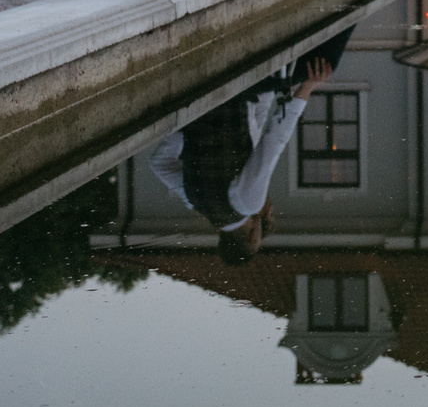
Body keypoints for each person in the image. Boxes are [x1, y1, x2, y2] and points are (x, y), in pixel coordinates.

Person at [148, 33, 346, 264]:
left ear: (253, 236)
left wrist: (306, 89)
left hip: (233, 90)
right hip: (205, 99)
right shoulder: (194, 201)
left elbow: (274, 141)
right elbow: (158, 163)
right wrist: (192, 129)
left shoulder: (248, 204)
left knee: (325, 64)